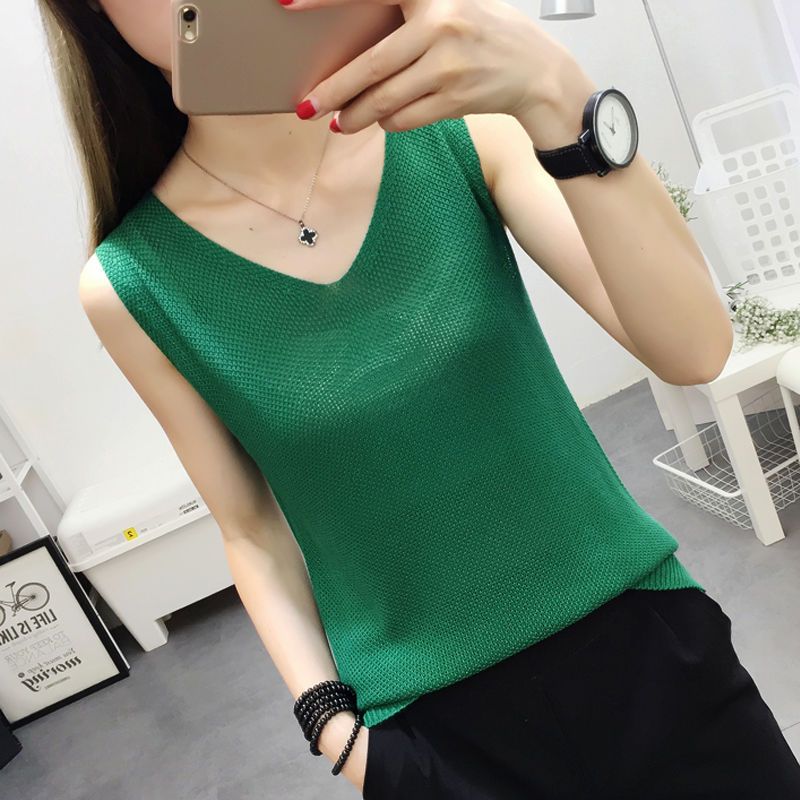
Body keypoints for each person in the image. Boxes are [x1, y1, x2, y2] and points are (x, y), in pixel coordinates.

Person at [39, 0, 800, 797]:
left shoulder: (460, 132)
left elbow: (694, 350)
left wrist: (553, 87)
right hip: (435, 739)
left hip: (646, 650)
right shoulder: (133, 285)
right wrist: (337, 734)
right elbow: (251, 530)